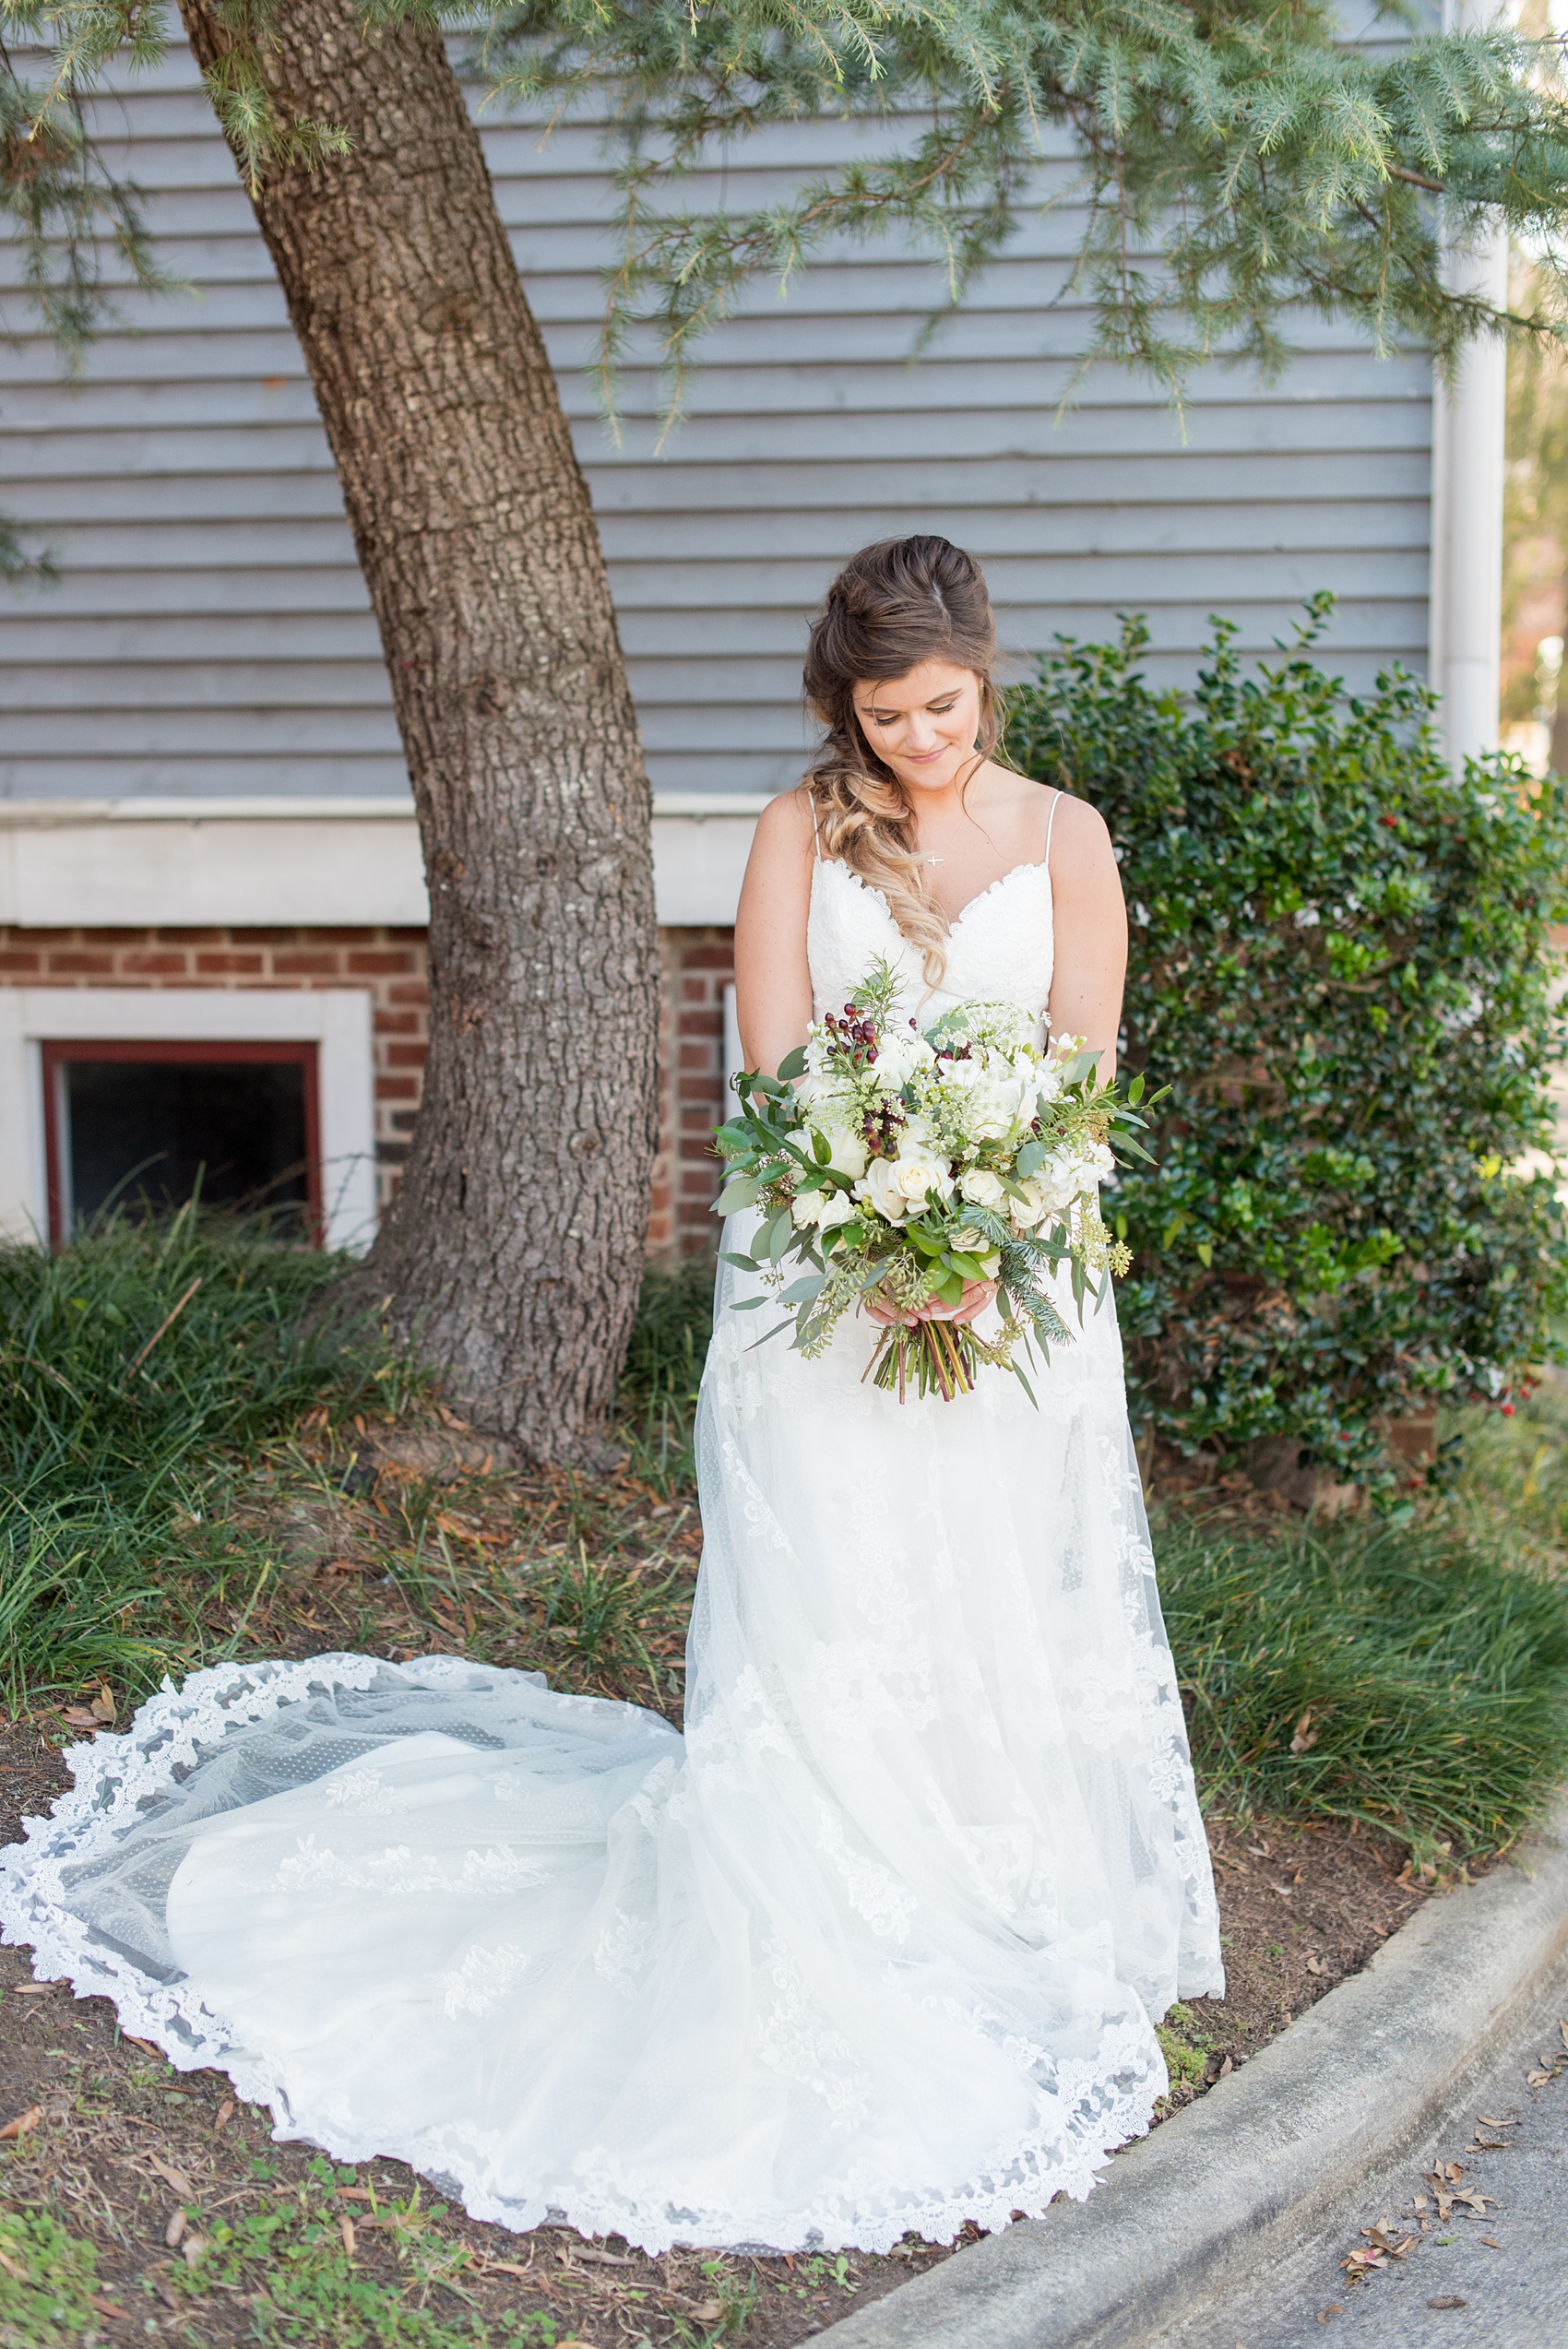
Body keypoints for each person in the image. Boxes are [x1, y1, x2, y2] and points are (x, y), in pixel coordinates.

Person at [0, 535, 1221, 2258]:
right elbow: (781, 1063)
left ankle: (993, 1899)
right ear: (845, 706)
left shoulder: (1068, 838)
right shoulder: (800, 831)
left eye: (943, 708)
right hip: (823, 1277)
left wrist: (986, 1227)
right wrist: (874, 1229)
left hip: (1015, 1287)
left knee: (997, 1585)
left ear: (986, 678)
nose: (921, 743)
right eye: (887, 718)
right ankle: (826, 1899)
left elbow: (1084, 1066)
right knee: (837, 1588)